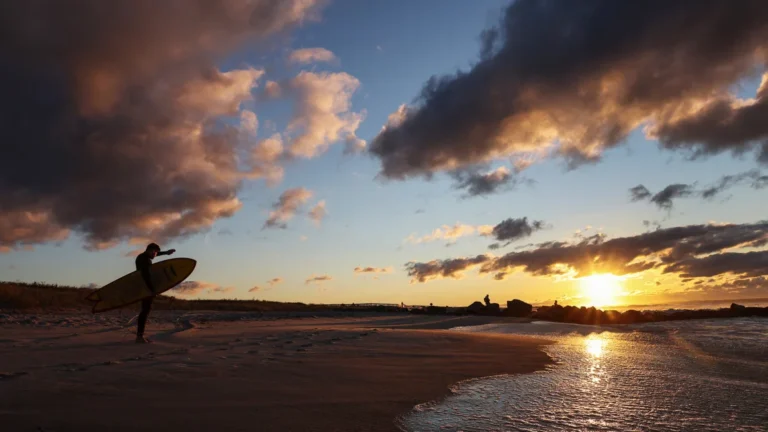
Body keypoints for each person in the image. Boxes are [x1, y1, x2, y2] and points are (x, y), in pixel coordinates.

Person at [135, 242, 175, 343]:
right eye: (154, 253)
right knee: (145, 311)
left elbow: (156, 254)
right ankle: (139, 337)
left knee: (145, 310)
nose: (155, 255)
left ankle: (140, 336)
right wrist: (152, 290)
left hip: (143, 287)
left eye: (156, 253)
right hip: (145, 288)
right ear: (150, 250)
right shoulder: (145, 260)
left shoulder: (143, 257)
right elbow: (146, 276)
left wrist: (166, 253)